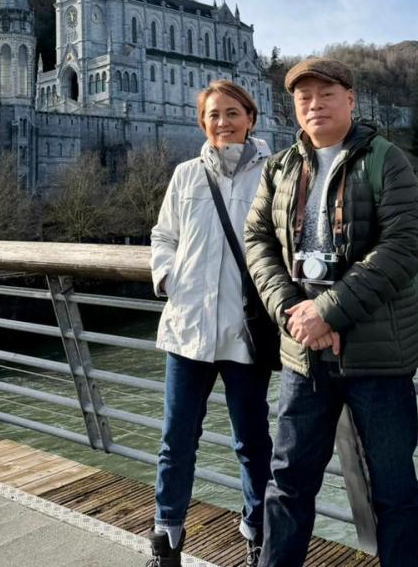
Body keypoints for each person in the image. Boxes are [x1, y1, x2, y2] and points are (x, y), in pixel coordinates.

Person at [244, 57, 418, 567]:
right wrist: (292, 311)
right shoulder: (280, 167)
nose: (314, 104)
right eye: (304, 97)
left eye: (326, 94)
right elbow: (256, 240)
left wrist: (329, 310)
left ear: (351, 99)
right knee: (288, 483)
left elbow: (404, 245)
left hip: (377, 358)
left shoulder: (385, 159)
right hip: (303, 354)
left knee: (394, 490)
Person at [147, 80, 274, 567]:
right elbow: (163, 234)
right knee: (175, 440)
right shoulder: (185, 174)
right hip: (187, 327)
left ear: (251, 117)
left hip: (245, 331)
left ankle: (256, 532)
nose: (223, 122)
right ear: (202, 123)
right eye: (213, 115)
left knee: (251, 441)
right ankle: (166, 538)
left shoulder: (274, 174)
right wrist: (167, 276)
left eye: (232, 113)